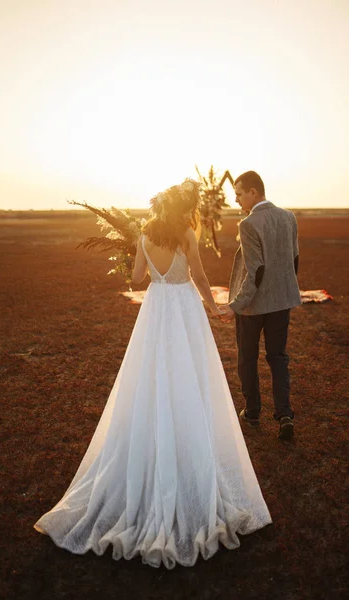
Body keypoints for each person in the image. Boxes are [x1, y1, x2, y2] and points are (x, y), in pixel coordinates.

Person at [33, 178, 272, 569]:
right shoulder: (187, 234)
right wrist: (213, 306)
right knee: (190, 379)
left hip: (155, 310)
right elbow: (196, 274)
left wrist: (132, 261)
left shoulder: (145, 235)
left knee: (150, 378)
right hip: (184, 311)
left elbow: (136, 281)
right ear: (185, 209)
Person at [219, 171, 301, 440]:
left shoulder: (248, 223)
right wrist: (284, 291)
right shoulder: (289, 217)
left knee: (247, 357)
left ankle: (252, 412)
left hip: (252, 306)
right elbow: (294, 260)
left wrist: (236, 306)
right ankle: (285, 414)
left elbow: (255, 271)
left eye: (239, 193)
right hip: (281, 302)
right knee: (278, 357)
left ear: (254, 192)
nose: (236, 199)